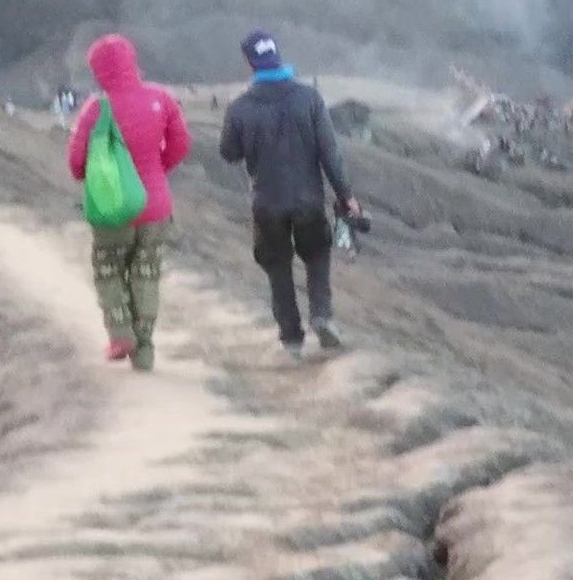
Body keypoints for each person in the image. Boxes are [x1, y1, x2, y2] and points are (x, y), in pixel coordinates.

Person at [219, 30, 357, 357]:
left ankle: (291, 338)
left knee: (277, 267)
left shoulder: (240, 108)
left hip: (266, 203)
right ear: (278, 55)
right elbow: (330, 153)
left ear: (249, 63)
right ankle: (322, 316)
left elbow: (229, 153)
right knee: (317, 256)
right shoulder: (309, 98)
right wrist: (345, 194)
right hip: (308, 199)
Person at [66, 36, 189, 372]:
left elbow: (76, 162)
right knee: (146, 273)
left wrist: (98, 178)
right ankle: (145, 351)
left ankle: (120, 333)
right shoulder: (161, 99)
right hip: (155, 205)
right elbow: (181, 143)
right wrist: (156, 170)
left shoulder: (96, 109)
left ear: (99, 71)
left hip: (112, 209)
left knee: (109, 270)